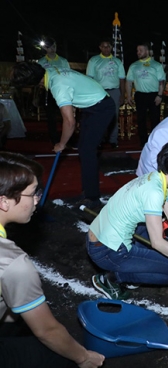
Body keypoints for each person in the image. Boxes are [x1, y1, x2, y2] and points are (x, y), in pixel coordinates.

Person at [0, 151, 105, 367]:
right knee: (60, 354)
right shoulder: (12, 263)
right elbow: (47, 331)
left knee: (14, 319)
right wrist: (84, 356)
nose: (38, 199)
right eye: (32, 193)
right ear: (4, 201)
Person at [87, 141, 168, 300]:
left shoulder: (159, 179)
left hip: (99, 237)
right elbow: (157, 243)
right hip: (108, 251)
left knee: (149, 227)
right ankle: (112, 278)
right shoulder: (155, 193)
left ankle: (135, 267)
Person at [11, 62, 115, 210]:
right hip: (92, 105)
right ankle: (88, 193)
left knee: (87, 150)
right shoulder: (51, 71)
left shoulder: (57, 86)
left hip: (101, 108)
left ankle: (92, 198)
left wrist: (62, 144)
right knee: (84, 150)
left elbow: (69, 122)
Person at [86, 38, 126, 148]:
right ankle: (100, 139)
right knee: (99, 117)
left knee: (114, 116)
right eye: (103, 46)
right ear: (100, 47)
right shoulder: (94, 60)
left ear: (111, 47)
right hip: (99, 92)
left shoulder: (117, 62)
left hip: (114, 91)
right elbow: (90, 79)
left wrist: (122, 94)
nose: (106, 48)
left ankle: (113, 140)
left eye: (108, 46)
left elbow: (122, 79)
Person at [125, 42, 165, 147]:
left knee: (155, 119)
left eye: (141, 50)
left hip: (153, 95)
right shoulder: (134, 66)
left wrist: (160, 95)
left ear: (147, 51)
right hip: (140, 95)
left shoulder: (156, 65)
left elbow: (161, 81)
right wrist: (128, 96)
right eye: (137, 51)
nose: (138, 53)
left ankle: (155, 141)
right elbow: (129, 81)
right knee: (140, 119)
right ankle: (143, 142)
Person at [38, 37, 70, 145]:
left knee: (65, 116)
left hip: (62, 91)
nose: (52, 49)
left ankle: (67, 137)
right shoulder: (42, 62)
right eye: (50, 47)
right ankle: (54, 138)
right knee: (51, 117)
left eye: (54, 46)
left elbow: (69, 75)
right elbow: (38, 77)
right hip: (48, 91)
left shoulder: (63, 61)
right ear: (45, 48)